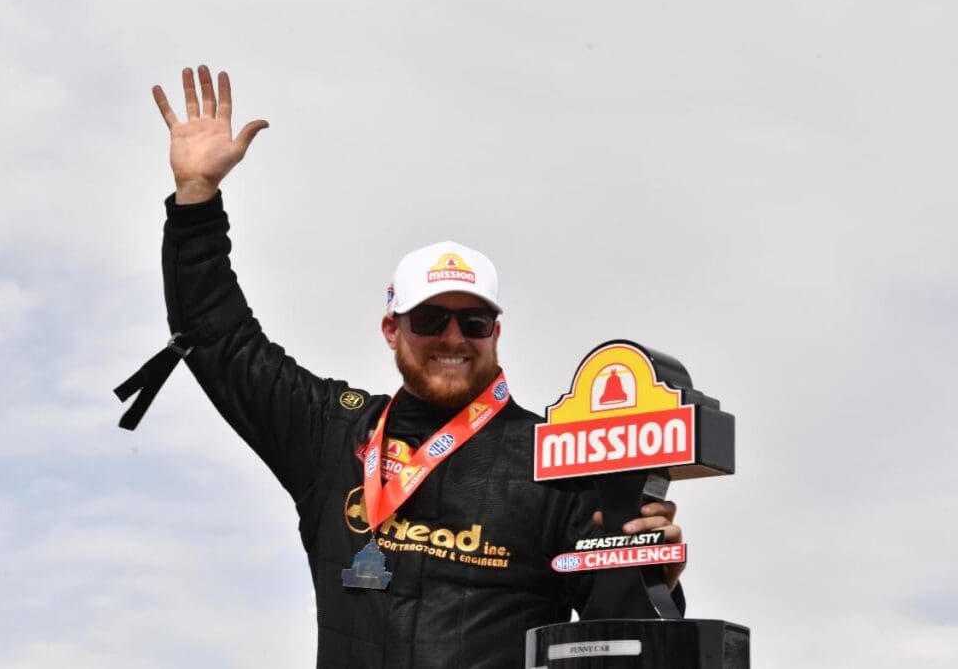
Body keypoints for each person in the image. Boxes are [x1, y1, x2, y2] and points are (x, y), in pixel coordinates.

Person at [119, 65, 684, 668]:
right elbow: (221, 342)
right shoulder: (334, 435)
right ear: (392, 329)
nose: (452, 338)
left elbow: (616, 635)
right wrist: (197, 202)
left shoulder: (556, 462)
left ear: (496, 333)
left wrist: (653, 575)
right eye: (430, 319)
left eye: (474, 322)